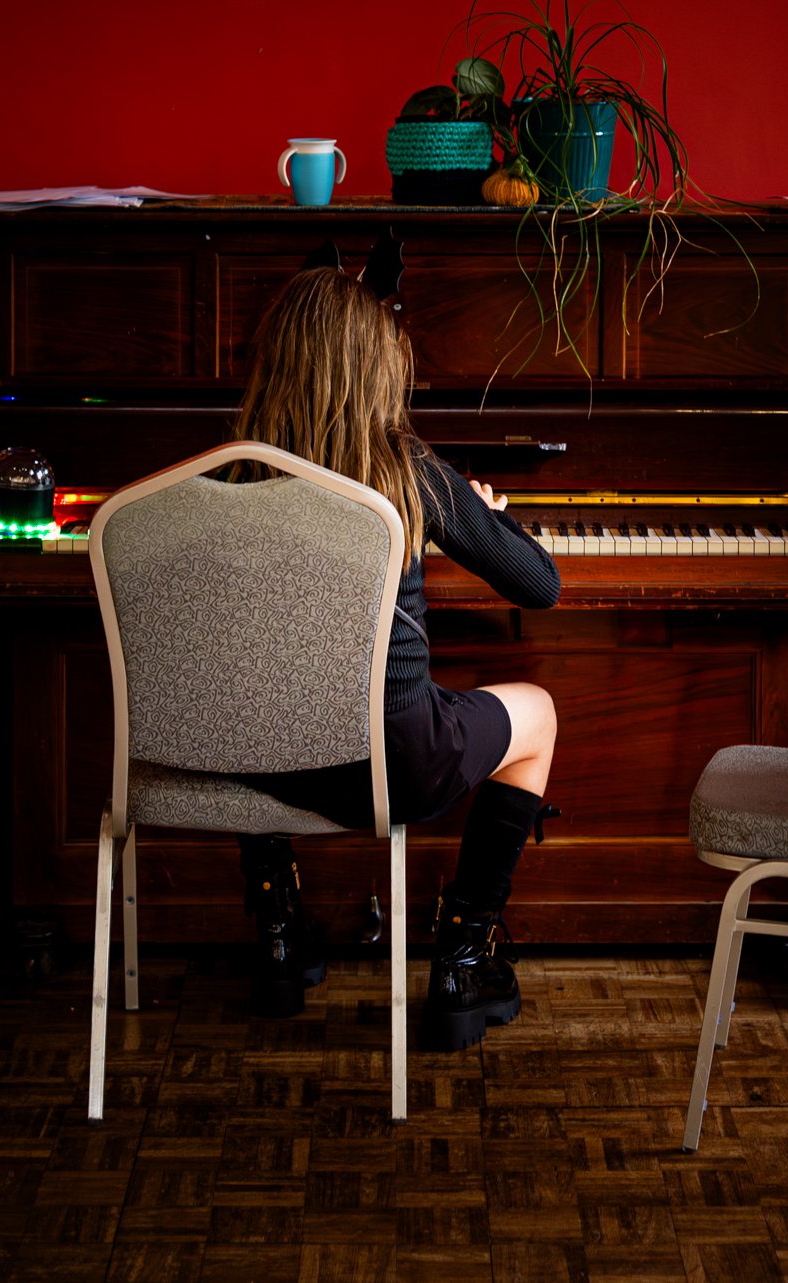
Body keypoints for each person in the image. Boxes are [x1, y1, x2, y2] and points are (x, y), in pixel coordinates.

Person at [225, 266, 561, 1048]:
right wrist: (484, 516)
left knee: (261, 690)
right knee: (538, 713)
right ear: (379, 370)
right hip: (393, 765)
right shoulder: (408, 473)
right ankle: (462, 962)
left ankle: (278, 936)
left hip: (256, 759)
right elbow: (538, 584)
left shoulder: (228, 473)